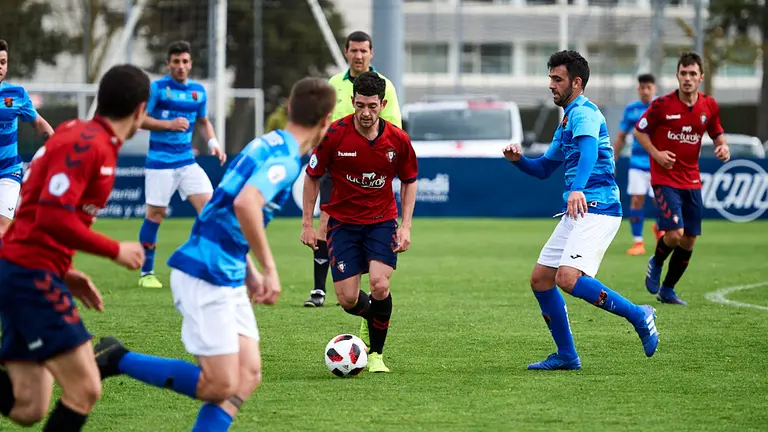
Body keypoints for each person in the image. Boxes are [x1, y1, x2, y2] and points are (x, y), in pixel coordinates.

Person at [93, 77, 336, 431]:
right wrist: (270, 268)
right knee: (219, 385)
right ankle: (118, 358)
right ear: (327, 119)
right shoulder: (285, 157)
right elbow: (245, 203)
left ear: (288, 108)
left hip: (227, 269)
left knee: (247, 375)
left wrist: (250, 271)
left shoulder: (266, 143)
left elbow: (221, 209)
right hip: (205, 271)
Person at [0, 64, 147, 431]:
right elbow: (51, 217)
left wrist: (64, 270)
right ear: (141, 111)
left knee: (29, 406)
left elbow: (35, 216)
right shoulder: (90, 144)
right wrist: (115, 250)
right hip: (29, 277)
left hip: (26, 269)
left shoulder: (78, 134)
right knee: (84, 388)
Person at [503, 50, 659, 371]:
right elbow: (545, 168)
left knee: (568, 278)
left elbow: (588, 151)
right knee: (541, 279)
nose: (551, 85)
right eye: (550, 78)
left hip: (599, 208)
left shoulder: (585, 113)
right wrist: (519, 162)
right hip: (578, 210)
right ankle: (567, 356)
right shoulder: (567, 119)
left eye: (557, 79)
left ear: (576, 82)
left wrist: (578, 188)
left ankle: (639, 315)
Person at [301, 71, 418, 373]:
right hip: (342, 224)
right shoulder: (334, 135)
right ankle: (375, 316)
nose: (366, 113)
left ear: (383, 104)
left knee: (380, 285)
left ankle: (377, 355)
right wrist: (307, 224)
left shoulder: (398, 140)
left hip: (381, 222)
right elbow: (312, 178)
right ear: (352, 101)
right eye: (360, 105)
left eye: (373, 106)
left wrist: (405, 225)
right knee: (347, 299)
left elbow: (409, 181)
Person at [304, 30, 403, 307]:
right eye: (354, 50)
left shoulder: (385, 85)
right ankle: (318, 289)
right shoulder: (335, 83)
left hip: (368, 165)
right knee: (324, 221)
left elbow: (394, 125)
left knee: (364, 225)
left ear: (371, 53)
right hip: (335, 164)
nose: (358, 55)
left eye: (363, 51)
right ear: (346, 52)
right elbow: (323, 122)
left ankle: (352, 286)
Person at [634, 51, 729, 306]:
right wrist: (656, 153)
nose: (687, 78)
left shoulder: (709, 105)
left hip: (692, 181)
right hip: (664, 178)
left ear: (701, 77)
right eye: (683, 73)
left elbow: (716, 131)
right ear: (677, 75)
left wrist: (723, 146)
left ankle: (667, 290)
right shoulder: (662, 105)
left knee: (688, 240)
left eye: (692, 74)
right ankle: (656, 261)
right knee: (674, 234)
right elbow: (639, 132)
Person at [137, 40, 227, 289]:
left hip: (187, 161)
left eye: (185, 61)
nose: (180, 66)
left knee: (211, 210)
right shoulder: (157, 89)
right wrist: (169, 124)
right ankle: (147, 272)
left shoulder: (198, 91)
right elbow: (140, 119)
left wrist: (214, 143)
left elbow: (203, 121)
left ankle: (207, 263)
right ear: (168, 64)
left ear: (190, 64)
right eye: (176, 61)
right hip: (160, 163)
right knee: (155, 214)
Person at [0, 39, 55, 238]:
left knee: (2, 227)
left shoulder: (16, 94)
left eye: (3, 62)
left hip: (8, 171)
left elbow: (39, 124)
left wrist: (57, 149)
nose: (0, 67)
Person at [613, 73, 663, 255]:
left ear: (654, 89)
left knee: (659, 200)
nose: (645, 91)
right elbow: (621, 136)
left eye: (649, 87)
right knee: (636, 200)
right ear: (638, 89)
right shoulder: (632, 109)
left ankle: (660, 229)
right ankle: (638, 242)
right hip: (637, 162)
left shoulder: (662, 106)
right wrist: (613, 159)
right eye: (642, 88)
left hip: (658, 162)